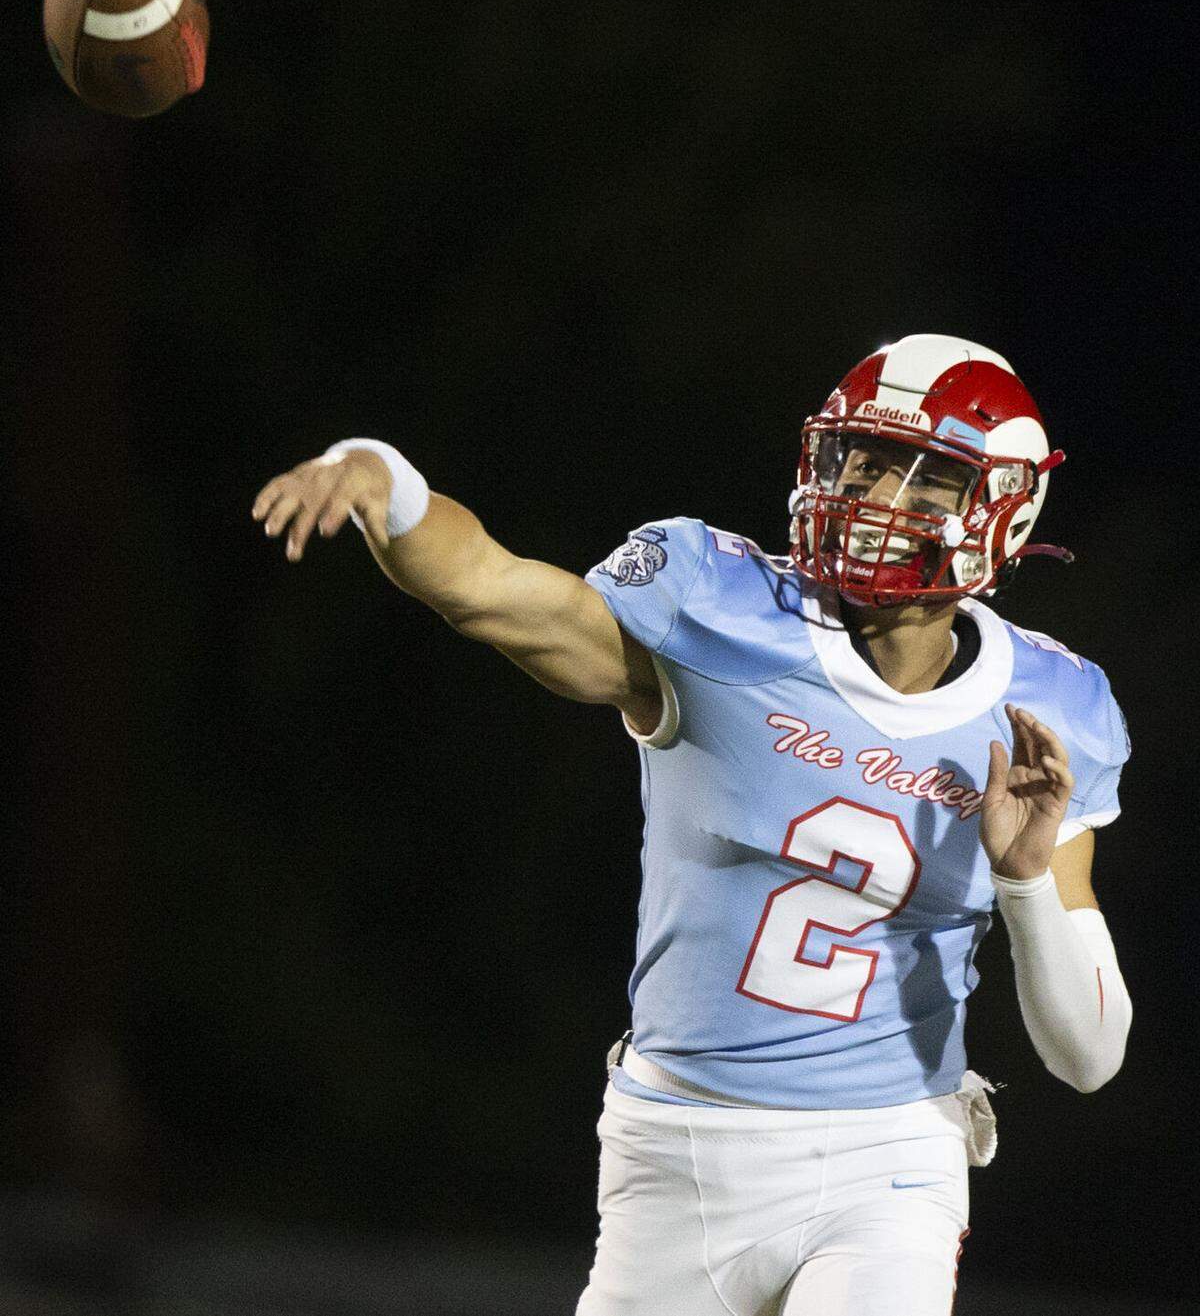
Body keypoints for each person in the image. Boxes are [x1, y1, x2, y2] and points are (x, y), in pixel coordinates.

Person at [251, 333, 1132, 1316]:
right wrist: (385, 480)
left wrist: (1024, 880)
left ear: (1006, 510)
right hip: (677, 1149)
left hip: (889, 1152)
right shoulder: (719, 605)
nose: (880, 495)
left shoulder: (1052, 708)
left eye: (928, 477)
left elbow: (1089, 1053)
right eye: (865, 459)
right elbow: (488, 587)